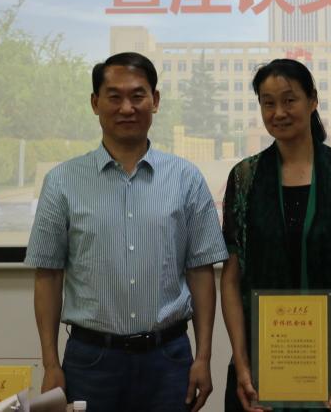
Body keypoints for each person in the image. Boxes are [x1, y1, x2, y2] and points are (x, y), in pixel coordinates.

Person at [25, 52, 228, 412]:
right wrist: (51, 364)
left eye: (137, 96)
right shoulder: (62, 182)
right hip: (91, 362)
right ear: (95, 103)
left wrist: (204, 357)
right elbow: (48, 275)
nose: (127, 108)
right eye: (114, 96)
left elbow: (200, 273)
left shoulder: (186, 179)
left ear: (155, 100)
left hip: (168, 359)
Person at [220, 59, 331, 412]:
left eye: (289, 100)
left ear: (313, 100)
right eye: (268, 103)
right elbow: (231, 279)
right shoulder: (245, 178)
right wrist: (242, 362)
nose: (278, 112)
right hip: (264, 365)